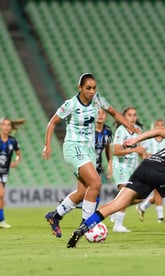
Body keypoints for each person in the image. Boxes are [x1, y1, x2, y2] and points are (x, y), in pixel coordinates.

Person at [67, 120, 165, 248]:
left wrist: (135, 140)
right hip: (164, 173)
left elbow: (158, 131)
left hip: (146, 166)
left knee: (117, 204)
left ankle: (83, 228)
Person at [42, 73, 136, 238]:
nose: (92, 91)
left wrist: (130, 127)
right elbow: (52, 123)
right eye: (88, 88)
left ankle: (54, 216)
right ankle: (86, 226)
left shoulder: (98, 99)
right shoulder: (70, 104)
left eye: (94, 88)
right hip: (74, 147)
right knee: (95, 183)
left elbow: (114, 112)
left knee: (83, 191)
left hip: (89, 150)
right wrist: (47, 146)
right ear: (80, 88)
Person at [110, 106, 146, 232]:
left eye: (134, 115)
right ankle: (118, 225)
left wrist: (147, 158)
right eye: (129, 115)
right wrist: (134, 149)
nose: (132, 117)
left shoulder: (138, 130)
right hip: (121, 166)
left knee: (140, 198)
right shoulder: (121, 130)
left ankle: (113, 208)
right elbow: (116, 151)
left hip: (133, 168)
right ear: (124, 117)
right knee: (126, 194)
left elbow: (141, 150)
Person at [136, 119, 165, 223]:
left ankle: (142, 207)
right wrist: (145, 157)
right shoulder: (149, 140)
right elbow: (140, 151)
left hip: (164, 169)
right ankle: (160, 217)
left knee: (161, 191)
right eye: (157, 125)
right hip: (151, 168)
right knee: (158, 190)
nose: (160, 127)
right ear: (153, 127)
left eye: (162, 125)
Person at [95, 109, 113, 183]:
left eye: (103, 113)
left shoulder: (108, 130)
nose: (100, 115)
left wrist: (110, 164)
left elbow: (108, 148)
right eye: (98, 113)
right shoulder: (88, 130)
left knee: (96, 189)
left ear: (107, 116)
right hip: (87, 164)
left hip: (98, 165)